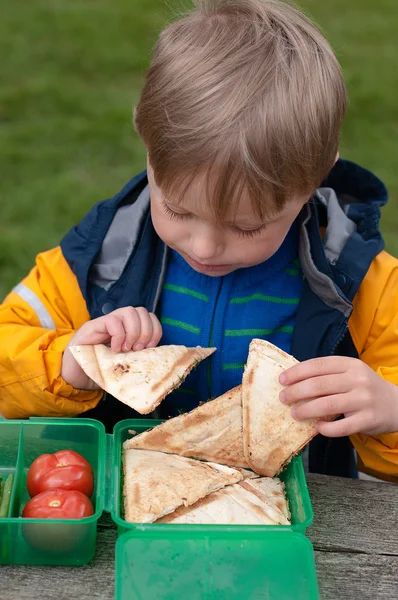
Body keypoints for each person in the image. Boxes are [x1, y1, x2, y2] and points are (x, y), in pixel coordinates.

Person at [1, 0, 397, 481]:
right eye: (179, 210)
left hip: (291, 526)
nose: (206, 248)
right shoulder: (103, 259)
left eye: (248, 227)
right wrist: (71, 364)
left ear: (317, 176)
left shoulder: (368, 290)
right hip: (129, 515)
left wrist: (389, 409)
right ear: (147, 144)